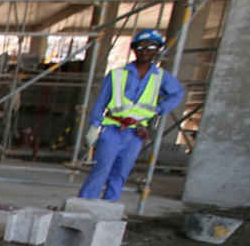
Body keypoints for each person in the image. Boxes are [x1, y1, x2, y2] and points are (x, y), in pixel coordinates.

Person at [79, 29, 185, 200]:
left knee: (122, 171)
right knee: (102, 168)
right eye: (141, 46)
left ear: (157, 50)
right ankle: (84, 203)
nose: (145, 51)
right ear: (135, 49)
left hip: (136, 133)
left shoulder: (160, 77)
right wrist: (94, 125)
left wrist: (158, 109)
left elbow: (177, 93)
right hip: (113, 129)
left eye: (151, 47)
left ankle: (109, 206)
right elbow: (101, 102)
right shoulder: (117, 75)